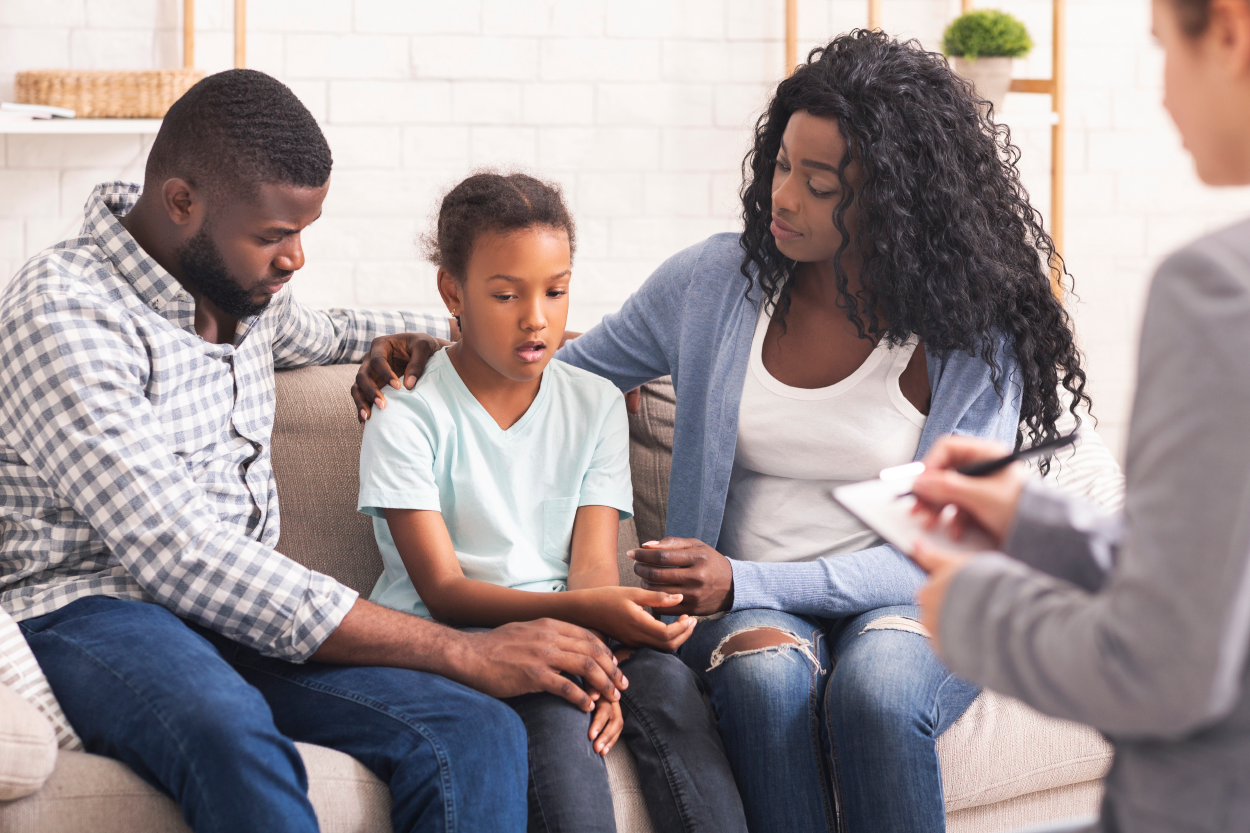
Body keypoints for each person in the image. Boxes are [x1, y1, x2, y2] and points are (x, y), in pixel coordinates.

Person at [353, 31, 1090, 833]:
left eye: (819, 183)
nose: (783, 197)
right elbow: (563, 365)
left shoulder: (973, 330)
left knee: (877, 692)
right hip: (744, 609)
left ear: (894, 195)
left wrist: (743, 581)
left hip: (913, 594)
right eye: (781, 165)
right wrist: (437, 343)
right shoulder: (715, 282)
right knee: (762, 678)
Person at [0, 70, 628, 833]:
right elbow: (181, 555)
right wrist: (464, 652)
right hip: (99, 611)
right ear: (180, 203)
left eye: (302, 233)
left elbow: (335, 330)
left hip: (243, 625)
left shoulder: (241, 294)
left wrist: (575, 352)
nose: (294, 258)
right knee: (230, 731)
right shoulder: (61, 308)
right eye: (272, 236)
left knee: (476, 730)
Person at [903, 0, 1250, 831]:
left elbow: (1163, 665)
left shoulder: (1216, 294)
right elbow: (1218, 582)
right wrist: (1039, 524)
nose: (1163, 94)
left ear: (1231, 33)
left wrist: (977, 610)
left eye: (1165, 49)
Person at [358, 172, 747, 833]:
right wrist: (586, 621)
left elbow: (593, 566)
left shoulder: (594, 402)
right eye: (506, 294)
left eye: (556, 290)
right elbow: (445, 589)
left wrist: (608, 631)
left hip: (572, 621)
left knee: (671, 685)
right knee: (558, 710)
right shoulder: (406, 415)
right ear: (453, 291)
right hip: (458, 640)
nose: (536, 317)